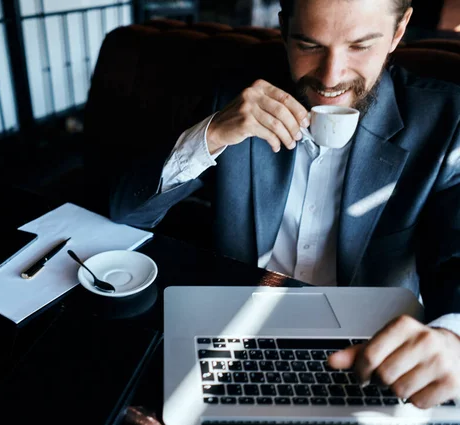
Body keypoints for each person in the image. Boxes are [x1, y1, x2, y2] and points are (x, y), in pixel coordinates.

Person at [109, 0, 460, 408]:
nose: (331, 77)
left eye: (360, 46)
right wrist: (211, 134)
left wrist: (453, 336)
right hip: (235, 324)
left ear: (399, 31)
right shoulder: (235, 92)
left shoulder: (447, 119)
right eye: (309, 44)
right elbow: (126, 212)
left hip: (371, 347)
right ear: (283, 28)